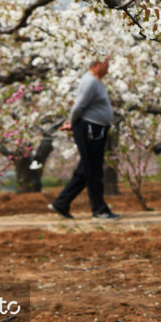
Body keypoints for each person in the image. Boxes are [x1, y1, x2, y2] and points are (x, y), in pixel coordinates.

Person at [48, 57, 121, 220]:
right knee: (93, 171)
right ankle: (99, 210)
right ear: (96, 65)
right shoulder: (90, 82)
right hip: (90, 129)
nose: (108, 68)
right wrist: (72, 123)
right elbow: (78, 106)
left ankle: (61, 203)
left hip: (94, 128)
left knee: (86, 169)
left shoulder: (94, 82)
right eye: (106, 65)